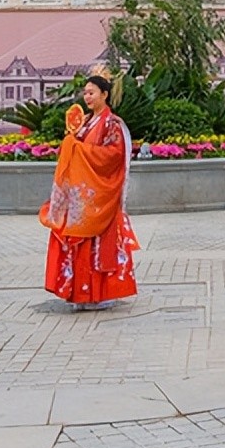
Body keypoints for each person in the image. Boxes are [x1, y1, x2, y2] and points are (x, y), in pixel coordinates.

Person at [39, 73, 140, 311]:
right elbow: (74, 148)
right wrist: (72, 145)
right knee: (76, 241)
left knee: (98, 245)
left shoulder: (112, 124)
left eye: (92, 93)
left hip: (99, 194)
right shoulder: (84, 121)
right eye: (85, 93)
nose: (87, 97)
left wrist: (79, 150)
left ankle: (100, 294)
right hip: (80, 196)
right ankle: (79, 293)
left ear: (105, 95)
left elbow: (114, 156)